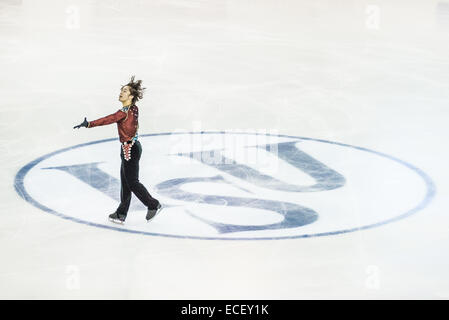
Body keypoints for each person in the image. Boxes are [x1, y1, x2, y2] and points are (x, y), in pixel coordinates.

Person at [73, 76, 162, 224]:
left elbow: (108, 119)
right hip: (131, 147)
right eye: (121, 90)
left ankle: (153, 204)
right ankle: (121, 213)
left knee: (132, 182)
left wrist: (89, 124)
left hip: (130, 150)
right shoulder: (133, 109)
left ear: (131, 96)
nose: (121, 92)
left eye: (125, 90)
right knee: (126, 183)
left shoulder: (124, 113)